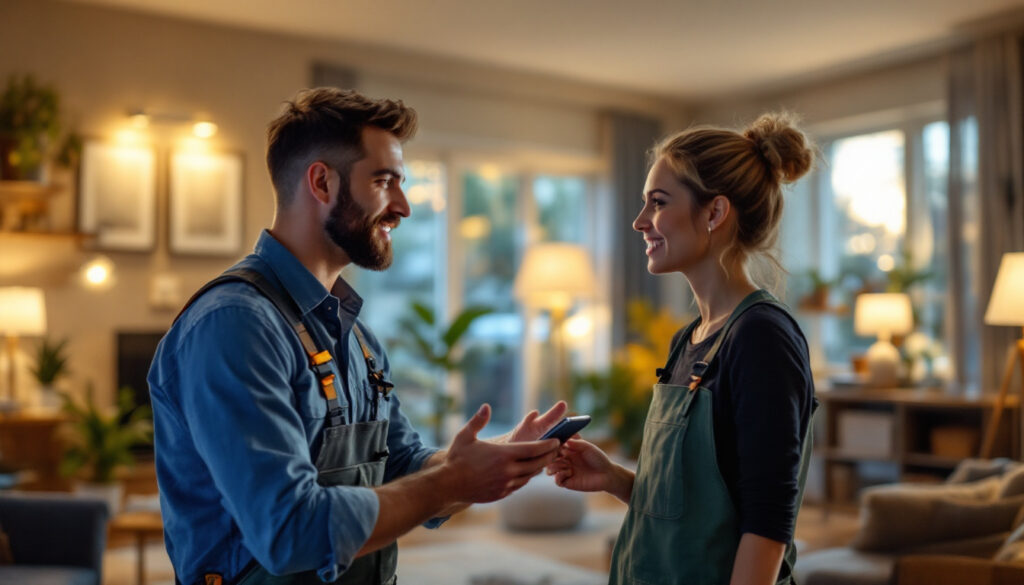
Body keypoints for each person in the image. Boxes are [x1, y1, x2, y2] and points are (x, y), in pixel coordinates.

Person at [148, 87, 565, 585]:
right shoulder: (234, 324)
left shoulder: (358, 338)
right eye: (385, 181)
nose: (404, 207)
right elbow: (287, 531)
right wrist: (452, 480)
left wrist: (484, 464)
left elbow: (403, 466)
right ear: (322, 182)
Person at [547, 113, 818, 585]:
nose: (639, 222)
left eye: (658, 202)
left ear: (714, 213)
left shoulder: (761, 337)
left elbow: (768, 525)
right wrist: (614, 478)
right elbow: (698, 515)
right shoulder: (687, 339)